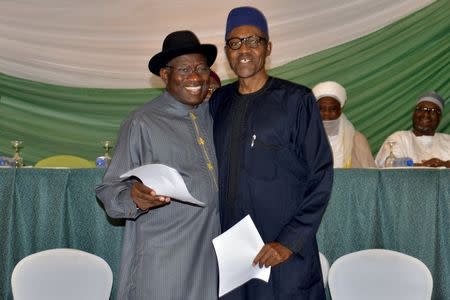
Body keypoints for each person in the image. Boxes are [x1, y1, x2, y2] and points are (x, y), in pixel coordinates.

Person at [210, 6, 333, 299]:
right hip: (233, 257)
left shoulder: (296, 100)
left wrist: (288, 242)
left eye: (253, 41)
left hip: (281, 254)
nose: (244, 50)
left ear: (268, 47)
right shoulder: (219, 102)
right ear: (226, 51)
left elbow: (321, 175)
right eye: (235, 42)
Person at [96, 30, 220, 300]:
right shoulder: (143, 122)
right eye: (185, 69)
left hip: (212, 261)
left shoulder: (215, 116)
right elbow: (108, 191)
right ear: (165, 76)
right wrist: (134, 197)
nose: (196, 77)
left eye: (201, 68)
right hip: (165, 264)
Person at [375, 91, 450, 168]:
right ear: (413, 114)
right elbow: (389, 165)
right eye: (421, 109)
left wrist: (444, 164)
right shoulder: (399, 138)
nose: (426, 114)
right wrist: (424, 166)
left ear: (440, 118)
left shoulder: (448, 140)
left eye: (433, 111)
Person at [312, 81, 375, 168]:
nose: (327, 114)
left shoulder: (357, 140)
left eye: (333, 109)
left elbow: (371, 175)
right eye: (321, 109)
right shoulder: (303, 139)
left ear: (340, 110)